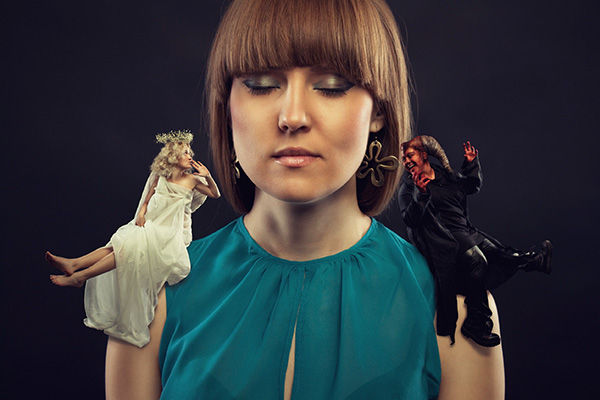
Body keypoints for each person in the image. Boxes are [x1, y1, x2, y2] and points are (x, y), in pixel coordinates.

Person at [105, 1, 505, 399]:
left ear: (378, 110)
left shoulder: (457, 309)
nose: (292, 115)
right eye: (261, 84)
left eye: (332, 85)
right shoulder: (152, 296)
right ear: (226, 105)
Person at [46, 130, 221, 347]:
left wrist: (207, 176)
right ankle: (76, 268)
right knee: (121, 243)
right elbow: (146, 201)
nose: (190, 156)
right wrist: (140, 214)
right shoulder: (160, 177)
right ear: (174, 157)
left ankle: (79, 273)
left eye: (189, 152)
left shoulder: (193, 180)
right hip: (150, 226)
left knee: (125, 246)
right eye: (185, 153)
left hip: (168, 236)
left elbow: (215, 194)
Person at [398, 135, 552, 348]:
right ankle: (476, 323)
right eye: (404, 159)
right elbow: (410, 219)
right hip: (442, 239)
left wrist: (470, 164)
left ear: (424, 155)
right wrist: (421, 195)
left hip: (465, 232)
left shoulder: (445, 175)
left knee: (500, 252)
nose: (406, 161)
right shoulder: (408, 189)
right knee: (477, 260)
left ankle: (534, 261)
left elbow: (471, 186)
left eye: (409, 156)